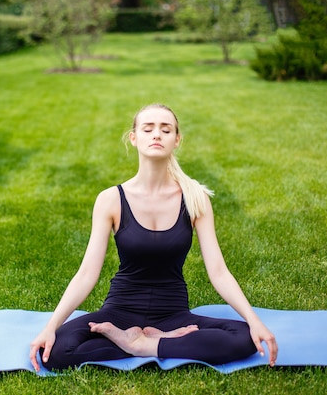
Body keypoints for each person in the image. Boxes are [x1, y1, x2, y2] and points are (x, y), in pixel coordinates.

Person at [29, 103, 278, 372]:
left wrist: (254, 320)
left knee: (245, 338)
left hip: (173, 315)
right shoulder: (111, 200)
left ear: (176, 140)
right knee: (55, 351)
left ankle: (143, 345)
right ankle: (144, 340)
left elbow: (218, 272)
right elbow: (87, 273)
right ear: (134, 138)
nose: (157, 135)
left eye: (165, 129)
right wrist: (50, 327)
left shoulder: (195, 199)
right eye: (148, 129)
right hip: (120, 311)